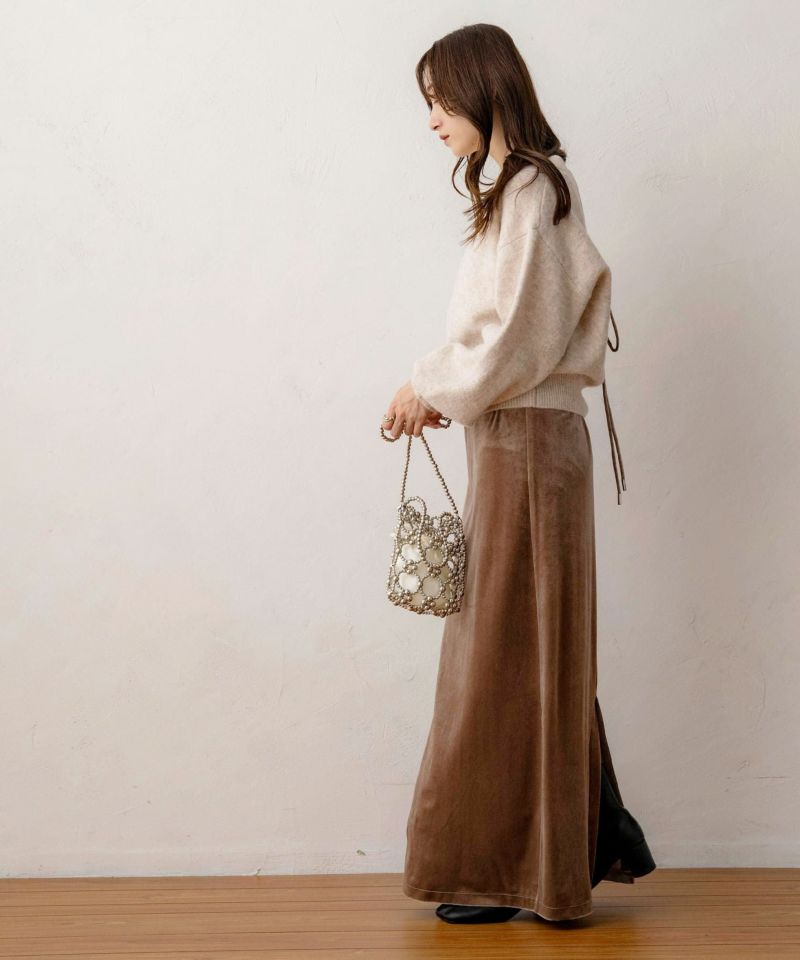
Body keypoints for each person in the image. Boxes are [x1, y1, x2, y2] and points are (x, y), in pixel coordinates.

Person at [381, 23, 655, 925]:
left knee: (506, 646)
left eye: (439, 99)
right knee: (523, 642)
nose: (431, 119)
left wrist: (427, 385)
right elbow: (509, 338)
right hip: (514, 436)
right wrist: (442, 387)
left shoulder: (533, 187)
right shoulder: (512, 190)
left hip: (529, 440)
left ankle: (518, 867)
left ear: (483, 87)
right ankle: (568, 846)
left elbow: (516, 338)